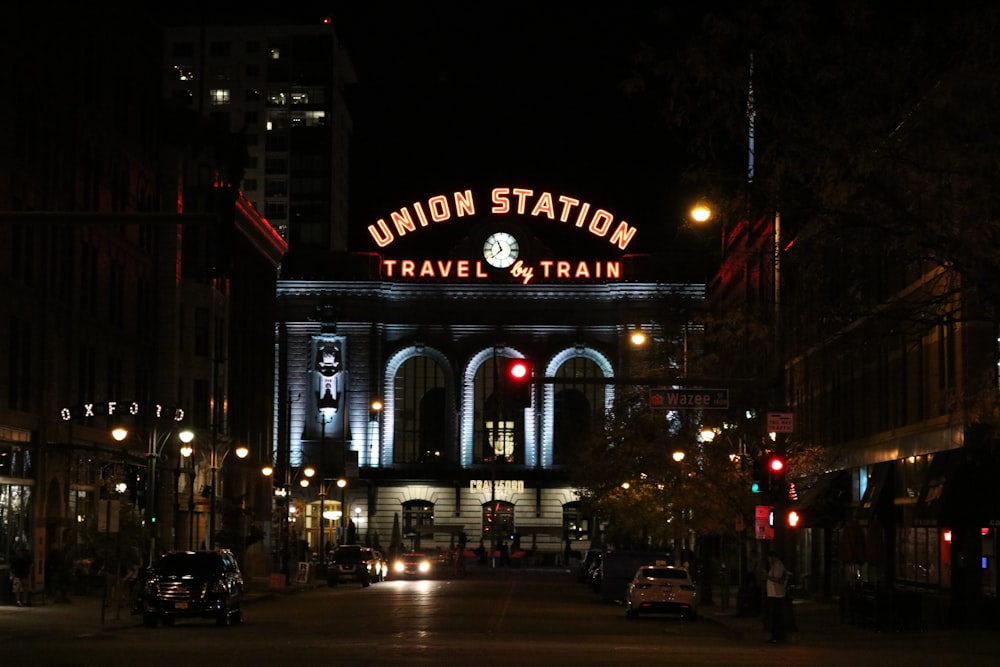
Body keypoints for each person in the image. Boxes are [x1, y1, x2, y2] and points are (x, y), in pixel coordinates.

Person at [764, 550, 789, 643]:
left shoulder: (778, 565)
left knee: (776, 616)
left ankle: (778, 636)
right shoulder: (774, 566)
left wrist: (767, 576)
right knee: (774, 616)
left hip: (777, 594)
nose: (768, 560)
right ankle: (775, 635)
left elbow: (778, 579)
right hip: (773, 594)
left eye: (769, 558)